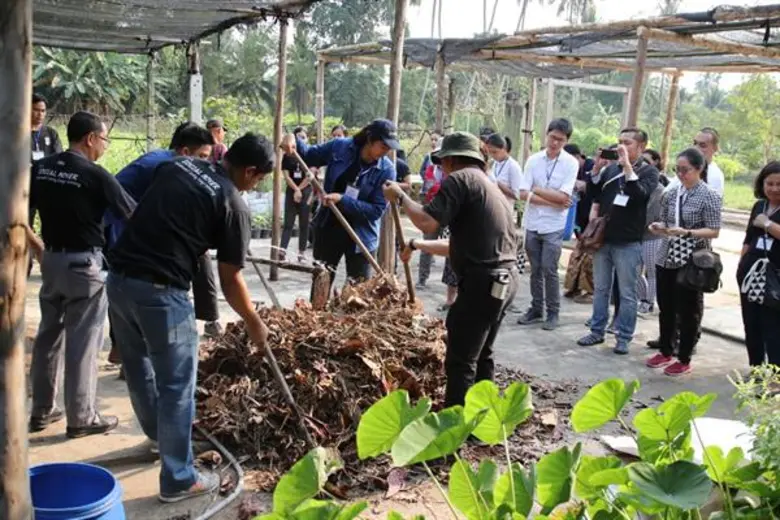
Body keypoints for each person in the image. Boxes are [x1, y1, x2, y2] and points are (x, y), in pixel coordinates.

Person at [106, 133, 274, 503]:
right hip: (161, 292)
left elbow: (162, 210)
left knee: (138, 368)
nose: (255, 186)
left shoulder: (179, 165)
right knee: (176, 386)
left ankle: (161, 440)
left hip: (118, 281)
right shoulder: (232, 204)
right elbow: (231, 280)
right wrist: (253, 321)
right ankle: (179, 479)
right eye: (259, 179)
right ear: (249, 171)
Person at [383, 131, 518, 407]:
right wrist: (416, 244)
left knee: (460, 360)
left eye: (442, 162)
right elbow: (458, 245)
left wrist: (400, 196)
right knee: (482, 354)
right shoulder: (487, 186)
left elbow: (427, 222)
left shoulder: (459, 179)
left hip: (482, 284)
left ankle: (455, 424)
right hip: (505, 281)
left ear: (451, 160)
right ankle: (484, 418)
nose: (441, 169)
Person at [28, 111, 134, 437]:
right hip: (84, 266)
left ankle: (42, 410)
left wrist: (37, 246)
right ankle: (82, 418)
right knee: (84, 342)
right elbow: (132, 214)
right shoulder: (95, 175)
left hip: (51, 261)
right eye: (104, 139)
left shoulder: (42, 168)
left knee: (48, 336)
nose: (104, 146)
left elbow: (16, 211)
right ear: (90, 138)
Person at [109, 122, 223, 338]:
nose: (205, 164)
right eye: (202, 156)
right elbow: (112, 188)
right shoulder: (160, 166)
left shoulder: (176, 166)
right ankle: (121, 343)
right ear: (185, 152)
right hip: (121, 229)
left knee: (201, 254)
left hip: (142, 226)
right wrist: (135, 215)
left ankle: (210, 319)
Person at [280, 119, 398, 286]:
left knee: (357, 291)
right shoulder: (339, 147)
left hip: (361, 237)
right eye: (383, 146)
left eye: (389, 147)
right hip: (329, 227)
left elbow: (376, 211)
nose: (386, 151)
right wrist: (292, 138)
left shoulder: (387, 170)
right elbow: (308, 154)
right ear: (370, 138)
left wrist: (343, 200)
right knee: (321, 284)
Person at [577, 128, 659, 354]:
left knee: (627, 293)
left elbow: (639, 195)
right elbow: (594, 194)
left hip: (628, 241)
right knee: (601, 289)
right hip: (603, 239)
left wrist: (628, 168)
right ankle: (596, 330)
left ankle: (623, 337)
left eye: (627, 143)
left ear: (641, 147)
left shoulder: (649, 172)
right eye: (619, 141)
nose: (621, 146)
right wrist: (596, 170)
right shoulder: (611, 169)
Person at [646, 148, 721, 376]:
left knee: (688, 310)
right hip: (667, 255)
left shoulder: (708, 195)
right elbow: (666, 221)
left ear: (699, 169)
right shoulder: (672, 193)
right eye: (677, 169)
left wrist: (688, 232)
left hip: (691, 259)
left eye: (685, 170)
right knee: (666, 306)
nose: (680, 174)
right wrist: (659, 227)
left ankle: (684, 356)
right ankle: (665, 349)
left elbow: (714, 230)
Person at [516, 119, 579, 331]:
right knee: (535, 269)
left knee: (549, 269)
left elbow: (564, 197)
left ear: (566, 141)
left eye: (560, 140)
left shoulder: (570, 163)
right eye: (552, 137)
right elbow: (522, 193)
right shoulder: (534, 160)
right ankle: (536, 309)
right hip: (533, 222)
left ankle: (553, 312)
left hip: (554, 225)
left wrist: (537, 189)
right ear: (546, 135)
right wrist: (553, 201)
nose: (555, 143)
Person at [737, 161, 780, 368]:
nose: (774, 189)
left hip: (774, 277)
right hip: (751, 272)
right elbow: (749, 238)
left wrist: (768, 224)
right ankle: (756, 369)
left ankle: (775, 374)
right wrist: (741, 267)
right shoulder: (759, 206)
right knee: (751, 324)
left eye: (779, 184)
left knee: (772, 327)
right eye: (769, 183)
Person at [564, 144, 597, 303]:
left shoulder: (591, 167)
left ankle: (590, 291)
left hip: (593, 221)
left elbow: (591, 187)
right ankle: (574, 286)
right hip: (579, 219)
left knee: (589, 258)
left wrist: (580, 184)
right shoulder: (570, 169)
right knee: (577, 255)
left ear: (579, 157)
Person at [638, 151, 666, 314]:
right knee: (634, 271)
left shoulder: (659, 189)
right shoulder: (637, 183)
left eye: (647, 161)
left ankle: (649, 302)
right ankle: (643, 299)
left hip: (652, 236)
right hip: (636, 235)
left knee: (652, 271)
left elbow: (651, 214)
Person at [281, 127, 313, 262]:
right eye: (298, 137)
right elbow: (286, 176)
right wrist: (295, 189)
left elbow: (310, 176)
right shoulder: (287, 156)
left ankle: (301, 253)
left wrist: (299, 190)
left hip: (306, 191)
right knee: (288, 223)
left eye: (303, 137)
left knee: (304, 224)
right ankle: (282, 251)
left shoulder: (309, 155)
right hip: (291, 190)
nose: (301, 140)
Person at [486, 134, 523, 206]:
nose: (492, 155)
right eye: (490, 152)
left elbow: (517, 195)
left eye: (495, 152)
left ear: (504, 149)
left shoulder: (513, 166)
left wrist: (496, 183)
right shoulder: (494, 163)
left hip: (505, 208)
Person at [31, 93, 62, 164]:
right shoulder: (21, 133)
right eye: (36, 110)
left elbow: (59, 156)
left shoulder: (51, 133)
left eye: (43, 111)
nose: (40, 114)